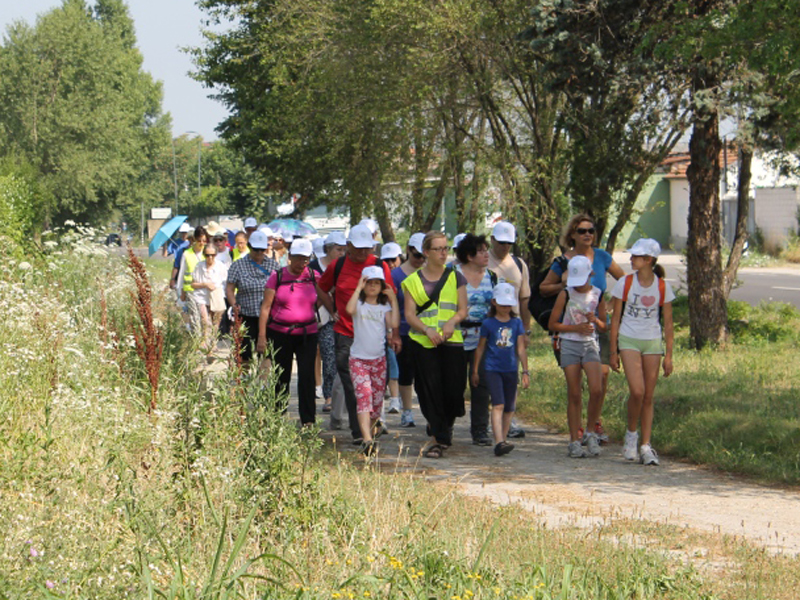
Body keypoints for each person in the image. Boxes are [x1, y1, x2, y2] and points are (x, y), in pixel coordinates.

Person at [539, 214, 625, 443]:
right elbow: (544, 288)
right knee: (575, 387)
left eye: (591, 230)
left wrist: (611, 310)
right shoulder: (563, 262)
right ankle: (577, 431)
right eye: (582, 231)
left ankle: (593, 423)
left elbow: (625, 282)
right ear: (572, 235)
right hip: (570, 327)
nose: (587, 234)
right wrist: (566, 284)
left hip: (598, 325)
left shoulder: (602, 257)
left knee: (602, 376)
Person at [318, 224, 399, 444]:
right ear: (348, 246)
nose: (364, 252)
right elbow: (321, 287)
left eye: (368, 248)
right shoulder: (338, 265)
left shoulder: (379, 265)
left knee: (376, 388)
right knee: (353, 386)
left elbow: (390, 296)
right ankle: (360, 433)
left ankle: (372, 424)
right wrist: (332, 309)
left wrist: (394, 332)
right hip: (346, 333)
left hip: (375, 334)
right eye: (359, 248)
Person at [403, 231, 468, 458]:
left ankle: (442, 425)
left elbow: (462, 309)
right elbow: (410, 315)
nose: (444, 253)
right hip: (423, 342)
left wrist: (451, 323)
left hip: (452, 341)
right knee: (429, 390)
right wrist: (427, 330)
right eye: (439, 249)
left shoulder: (455, 276)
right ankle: (439, 439)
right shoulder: (412, 281)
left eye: (446, 248)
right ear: (426, 252)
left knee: (454, 390)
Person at [610, 238, 674, 466]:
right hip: (629, 339)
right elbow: (615, 318)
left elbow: (667, 324)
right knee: (637, 391)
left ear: (648, 261)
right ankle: (631, 434)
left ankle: (646, 446)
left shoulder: (662, 287)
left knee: (648, 395)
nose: (630, 259)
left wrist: (669, 355)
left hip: (652, 342)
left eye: (636, 256)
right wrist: (613, 350)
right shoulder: (625, 283)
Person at [257, 238, 334, 426]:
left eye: (306, 259)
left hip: (307, 334)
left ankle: (308, 420)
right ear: (290, 257)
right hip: (280, 333)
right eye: (298, 259)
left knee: (307, 376)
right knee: (281, 375)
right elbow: (266, 307)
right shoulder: (278, 276)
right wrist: (262, 336)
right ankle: (278, 416)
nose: (302, 264)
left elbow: (326, 294)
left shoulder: (314, 276)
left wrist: (317, 309)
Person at [548, 255, 608, 458]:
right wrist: (574, 328)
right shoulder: (566, 294)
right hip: (570, 344)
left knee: (596, 388)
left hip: (590, 344)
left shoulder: (598, 294)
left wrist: (596, 321)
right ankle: (574, 439)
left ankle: (590, 432)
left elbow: (604, 325)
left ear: (590, 275)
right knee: (574, 393)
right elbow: (552, 324)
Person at [345, 266, 400, 455]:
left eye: (377, 283)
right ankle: (366, 439)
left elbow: (394, 324)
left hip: (378, 360)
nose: (373, 286)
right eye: (369, 282)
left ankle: (372, 432)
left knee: (376, 402)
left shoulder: (384, 307)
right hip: (359, 359)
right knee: (364, 397)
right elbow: (349, 309)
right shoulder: (359, 305)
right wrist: (358, 288)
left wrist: (393, 299)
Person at [472, 283, 529, 457]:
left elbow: (520, 348)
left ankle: (502, 441)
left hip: (511, 369)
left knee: (510, 407)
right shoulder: (488, 323)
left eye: (508, 304)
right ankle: (499, 441)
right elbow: (480, 348)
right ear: (494, 302)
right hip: (492, 368)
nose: (506, 307)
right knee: (498, 404)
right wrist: (475, 370)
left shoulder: (516, 323)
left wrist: (525, 371)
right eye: (502, 304)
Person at [487, 220, 530, 439]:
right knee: (490, 372)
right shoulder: (484, 262)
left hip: (513, 328)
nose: (505, 247)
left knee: (509, 373)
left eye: (509, 243)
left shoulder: (519, 264)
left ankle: (507, 420)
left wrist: (526, 330)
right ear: (492, 240)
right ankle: (488, 420)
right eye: (501, 242)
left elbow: (524, 300)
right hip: (490, 327)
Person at [455, 233, 497, 446]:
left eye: (485, 250)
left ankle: (480, 430)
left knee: (482, 384)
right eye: (480, 251)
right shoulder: (453, 275)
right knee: (454, 384)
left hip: (483, 340)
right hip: (456, 337)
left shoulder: (492, 276)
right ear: (469, 256)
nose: (485, 254)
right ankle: (443, 422)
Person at [225, 230, 279, 363]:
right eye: (256, 250)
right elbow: (230, 288)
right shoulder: (237, 265)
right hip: (246, 314)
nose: (259, 253)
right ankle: (245, 382)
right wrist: (233, 304)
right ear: (250, 247)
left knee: (267, 354)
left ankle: (263, 383)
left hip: (268, 317)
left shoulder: (274, 266)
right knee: (245, 354)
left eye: (262, 250)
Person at [390, 232, 426, 428]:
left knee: (426, 374)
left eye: (424, 256)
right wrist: (394, 332)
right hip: (405, 330)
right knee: (406, 373)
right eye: (417, 255)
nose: (420, 260)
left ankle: (428, 410)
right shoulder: (396, 275)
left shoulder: (431, 273)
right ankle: (407, 410)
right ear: (409, 251)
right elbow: (393, 306)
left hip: (427, 331)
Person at [379, 242, 404, 414]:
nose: (391, 263)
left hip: (400, 326)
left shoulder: (405, 276)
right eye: (386, 260)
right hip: (383, 328)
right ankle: (391, 400)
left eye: (393, 259)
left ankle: (396, 399)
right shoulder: (379, 279)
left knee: (395, 364)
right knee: (388, 362)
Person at [191, 243, 229, 353]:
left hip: (216, 296)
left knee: (215, 322)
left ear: (216, 255)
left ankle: (212, 343)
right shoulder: (199, 266)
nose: (210, 258)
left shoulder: (220, 266)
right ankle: (205, 341)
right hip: (202, 297)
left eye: (212, 255)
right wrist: (205, 284)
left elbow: (225, 283)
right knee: (205, 320)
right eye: (207, 255)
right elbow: (193, 284)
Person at [177, 227, 209, 336]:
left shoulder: (208, 253)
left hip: (205, 292)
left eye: (204, 241)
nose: (202, 243)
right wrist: (181, 291)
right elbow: (181, 274)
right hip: (191, 291)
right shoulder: (187, 254)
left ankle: (205, 340)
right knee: (194, 317)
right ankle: (196, 340)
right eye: (199, 240)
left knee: (205, 318)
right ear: (194, 239)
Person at [169, 222, 193, 289]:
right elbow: (176, 264)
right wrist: (173, 279)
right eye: (182, 232)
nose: (184, 234)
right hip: (181, 272)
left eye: (185, 232)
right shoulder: (180, 247)